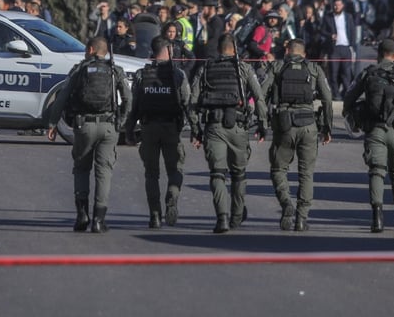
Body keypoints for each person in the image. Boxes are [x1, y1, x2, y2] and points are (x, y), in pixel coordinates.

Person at [47, 36, 130, 233]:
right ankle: (99, 220)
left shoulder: (80, 69)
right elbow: (128, 98)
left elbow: (63, 96)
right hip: (109, 126)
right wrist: (121, 122)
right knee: (104, 172)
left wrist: (52, 123)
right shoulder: (114, 70)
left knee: (82, 169)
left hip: (83, 126)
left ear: (91, 49)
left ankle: (82, 215)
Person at [190, 34, 267, 234]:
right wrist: (263, 124)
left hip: (214, 127)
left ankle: (221, 219)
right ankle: (236, 215)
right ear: (234, 50)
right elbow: (259, 97)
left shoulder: (206, 68)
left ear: (219, 49)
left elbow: (192, 100)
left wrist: (196, 129)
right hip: (238, 128)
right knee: (238, 174)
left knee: (217, 174)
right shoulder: (243, 68)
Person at [343, 39, 394, 232]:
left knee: (376, 172)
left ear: (379, 54)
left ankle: (377, 218)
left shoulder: (367, 74)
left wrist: (358, 116)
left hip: (374, 131)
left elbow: (348, 99)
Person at [259, 38, 333, 231]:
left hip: (284, 125)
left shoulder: (277, 66)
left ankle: (286, 205)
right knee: (306, 174)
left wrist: (262, 123)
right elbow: (327, 98)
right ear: (304, 54)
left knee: (278, 169)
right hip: (308, 125)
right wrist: (327, 128)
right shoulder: (314, 69)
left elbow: (260, 94)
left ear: (287, 51)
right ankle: (301, 218)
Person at [125, 37, 192, 228]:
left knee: (151, 175)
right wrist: (194, 129)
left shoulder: (141, 74)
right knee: (175, 169)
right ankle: (172, 194)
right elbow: (187, 103)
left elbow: (134, 105)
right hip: (171, 128)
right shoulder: (177, 75)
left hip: (149, 128)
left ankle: (155, 215)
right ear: (168, 50)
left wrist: (129, 130)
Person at [326, 0, 358, 98]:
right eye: (335, 5)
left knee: (346, 73)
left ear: (342, 6)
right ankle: (336, 94)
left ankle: (347, 94)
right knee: (333, 73)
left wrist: (353, 48)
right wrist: (330, 36)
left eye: (339, 5)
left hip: (346, 47)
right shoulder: (328, 17)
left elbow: (353, 32)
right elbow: (322, 31)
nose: (337, 7)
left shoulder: (348, 17)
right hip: (334, 48)